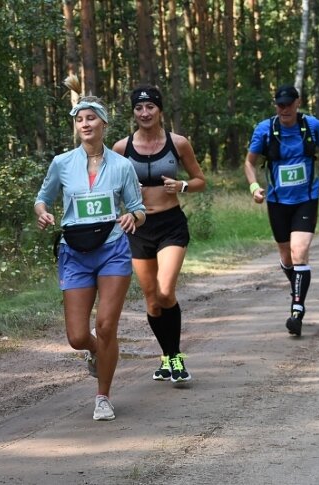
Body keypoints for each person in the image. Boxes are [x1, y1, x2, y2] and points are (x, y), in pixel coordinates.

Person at [34, 95, 145, 421]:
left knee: (106, 325)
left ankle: (103, 397)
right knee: (78, 336)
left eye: (91, 118)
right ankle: (98, 352)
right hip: (75, 252)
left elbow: (138, 209)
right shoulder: (62, 163)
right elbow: (42, 199)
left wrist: (132, 219)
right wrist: (43, 214)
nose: (85, 124)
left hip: (112, 250)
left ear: (103, 125)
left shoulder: (122, 166)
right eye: (80, 119)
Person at [112, 85, 206, 384]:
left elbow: (200, 180)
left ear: (160, 110)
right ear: (133, 113)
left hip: (171, 225)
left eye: (150, 107)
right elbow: (108, 190)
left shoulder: (178, 143)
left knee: (166, 291)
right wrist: (126, 195)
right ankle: (167, 357)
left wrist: (182, 186)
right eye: (139, 108)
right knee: (152, 301)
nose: (144, 113)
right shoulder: (120, 148)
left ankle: (175, 357)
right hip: (139, 229)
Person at [244, 84, 319, 338]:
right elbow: (249, 162)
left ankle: (297, 310)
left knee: (300, 251)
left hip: (306, 198)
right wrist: (254, 187)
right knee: (286, 256)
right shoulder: (265, 130)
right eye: (279, 104)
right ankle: (297, 286)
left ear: (298, 103)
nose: (284, 109)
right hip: (277, 201)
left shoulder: (312, 126)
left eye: (288, 104)